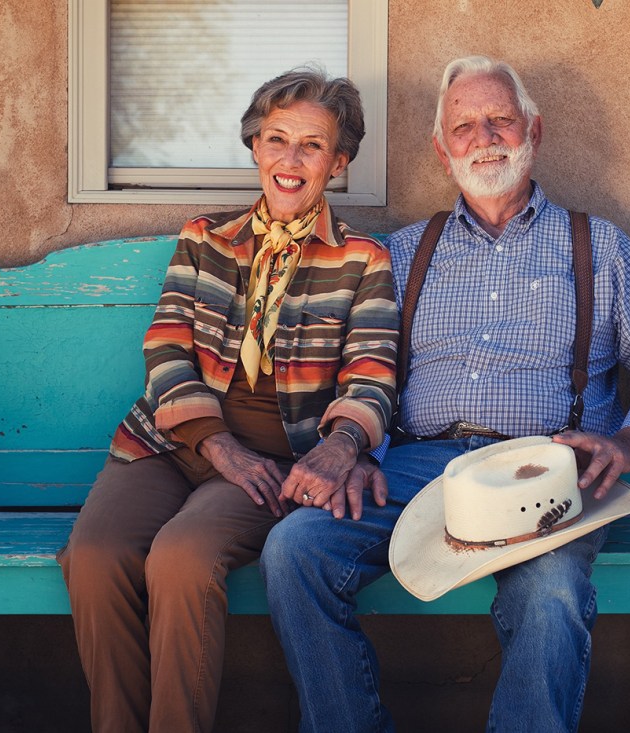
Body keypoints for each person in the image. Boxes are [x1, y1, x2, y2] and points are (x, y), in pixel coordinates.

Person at [260, 55, 630, 733]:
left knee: (553, 593)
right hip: (420, 469)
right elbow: (364, 367)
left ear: (535, 129)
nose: (485, 135)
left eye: (500, 118)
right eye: (464, 126)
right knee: (294, 550)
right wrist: (352, 442)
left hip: (550, 472)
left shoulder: (599, 247)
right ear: (444, 152)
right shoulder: (406, 252)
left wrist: (627, 440)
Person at [58, 68, 398, 733]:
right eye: (276, 139)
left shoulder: (362, 259)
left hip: (272, 460)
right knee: (94, 556)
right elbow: (165, 350)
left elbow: (373, 374)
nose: (290, 160)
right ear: (254, 147)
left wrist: (340, 446)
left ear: (340, 161)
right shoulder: (205, 239)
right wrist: (215, 443)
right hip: (170, 443)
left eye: (311, 145)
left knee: (183, 559)